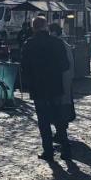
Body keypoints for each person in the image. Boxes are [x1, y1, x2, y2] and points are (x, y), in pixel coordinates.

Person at [20, 15, 70, 159]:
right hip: (55, 84)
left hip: (38, 86)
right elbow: (65, 65)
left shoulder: (29, 44)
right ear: (46, 26)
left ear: (33, 28)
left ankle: (48, 151)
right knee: (59, 117)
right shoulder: (57, 42)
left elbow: (24, 67)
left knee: (43, 120)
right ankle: (66, 149)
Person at [49, 22, 76, 150]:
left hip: (61, 81)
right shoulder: (63, 45)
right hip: (65, 81)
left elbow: (68, 65)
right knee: (63, 106)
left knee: (61, 107)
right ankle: (61, 132)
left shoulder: (61, 45)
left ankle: (61, 133)